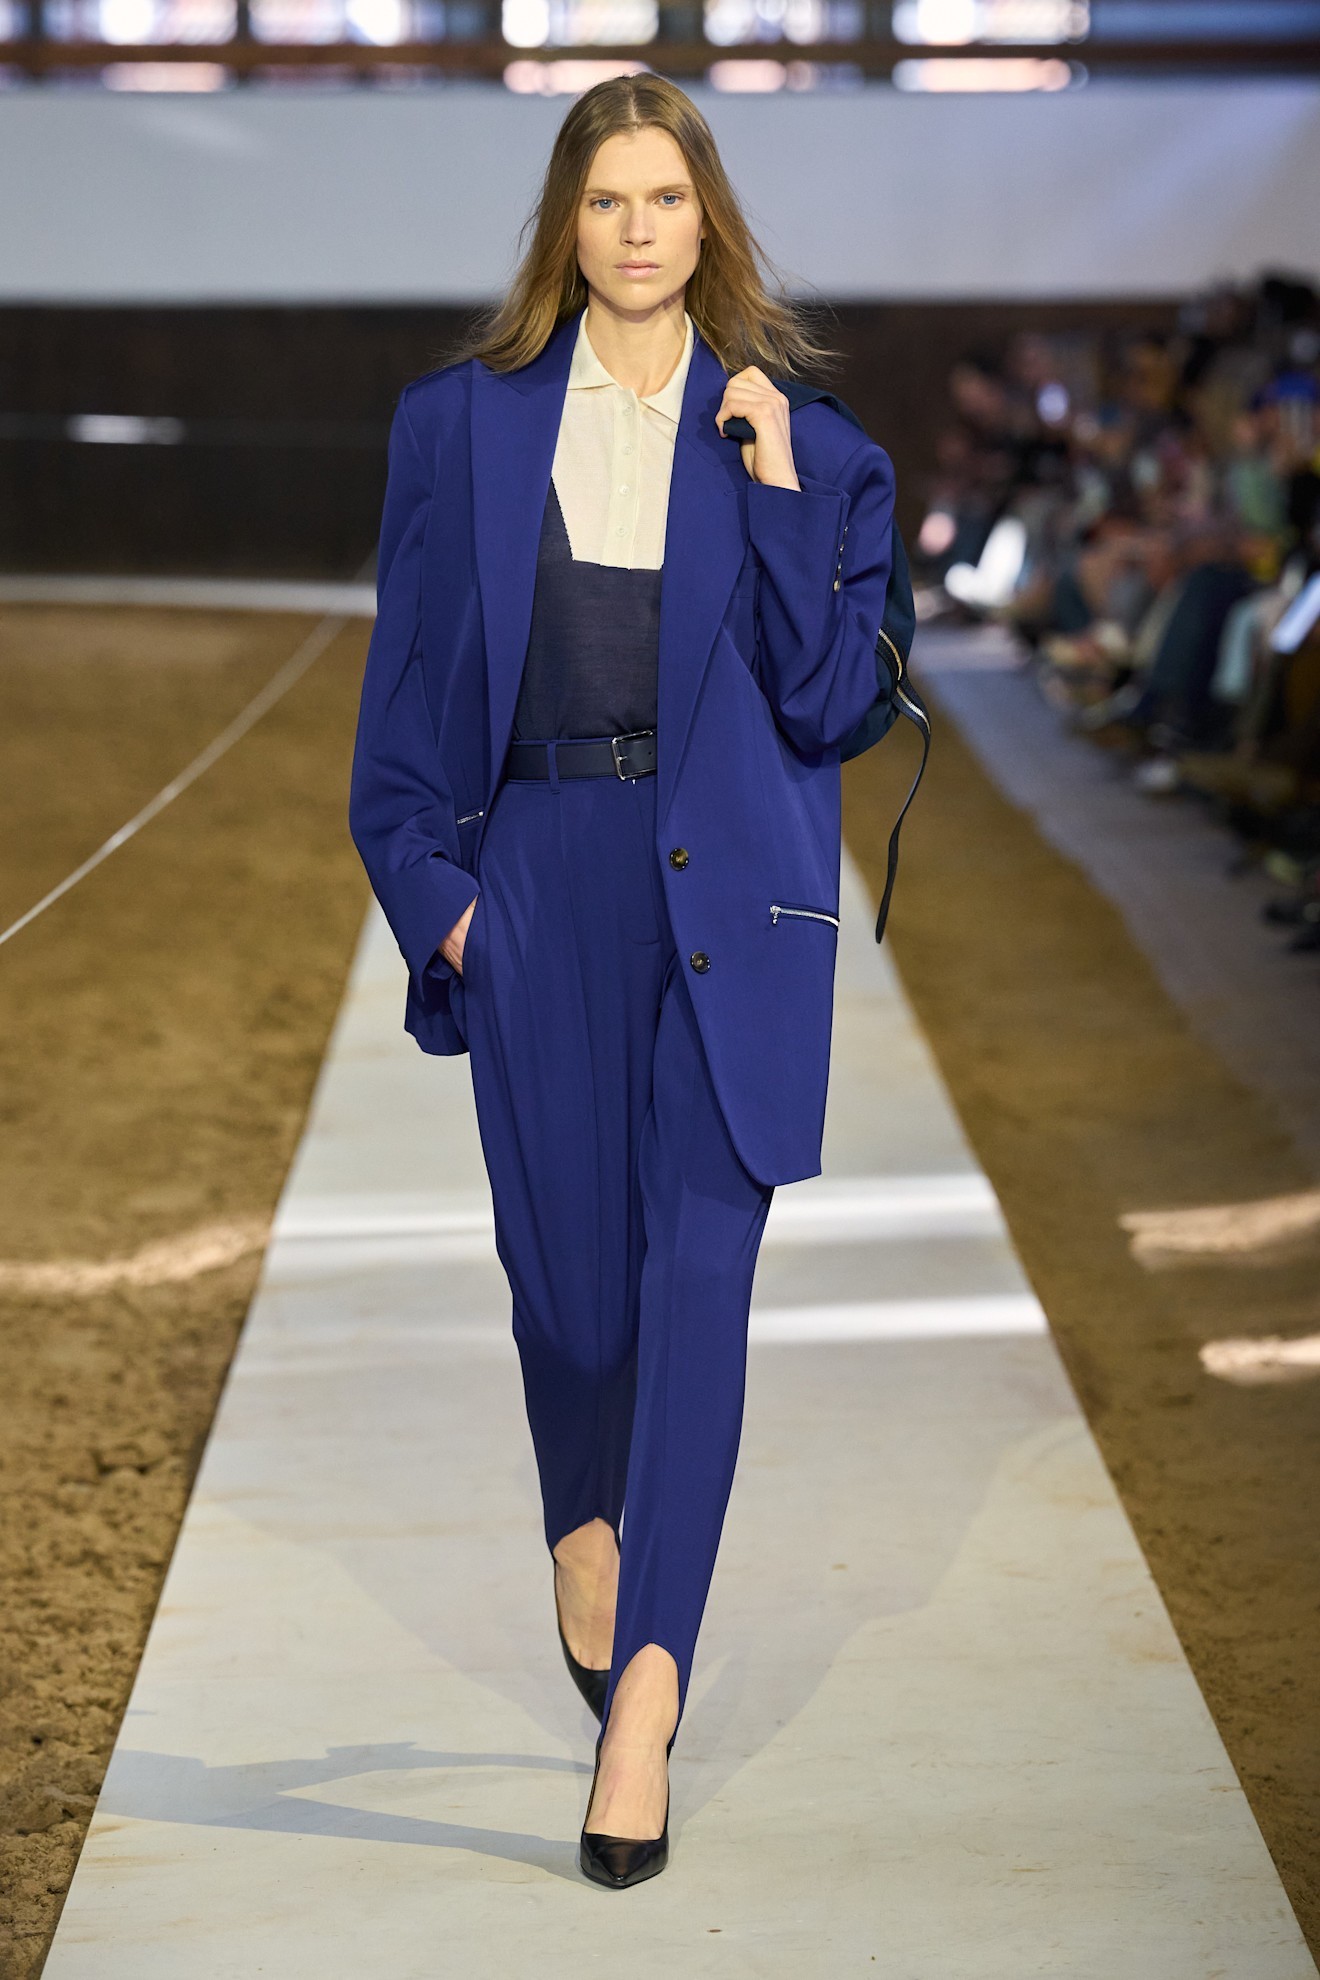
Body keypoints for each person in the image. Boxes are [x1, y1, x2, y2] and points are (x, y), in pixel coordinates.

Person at [348, 72, 898, 1889]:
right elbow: (402, 709)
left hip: (732, 902)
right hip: (538, 893)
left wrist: (779, 482)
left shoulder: (813, 446)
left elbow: (830, 704)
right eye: (606, 201)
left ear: (707, 219)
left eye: (666, 198)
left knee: (695, 1294)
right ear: (566, 226)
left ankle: (647, 1701)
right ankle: (579, 1520)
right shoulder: (462, 425)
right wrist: (446, 906)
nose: (638, 229)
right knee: (575, 1305)